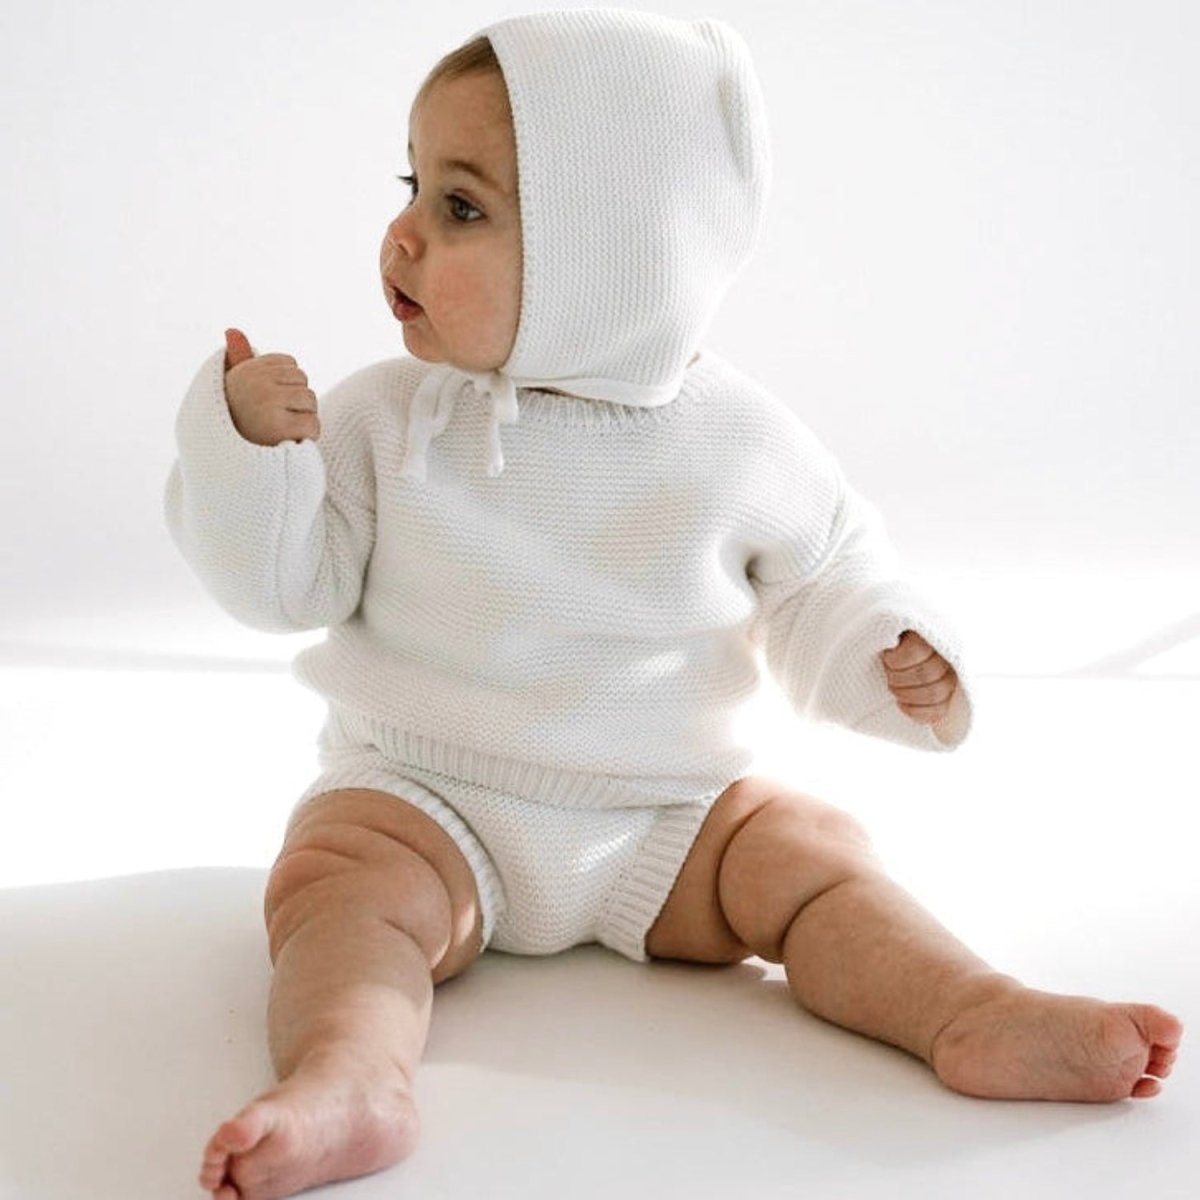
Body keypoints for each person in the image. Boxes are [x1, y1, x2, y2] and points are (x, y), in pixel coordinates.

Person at [166, 11, 1182, 1200]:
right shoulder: (391, 415)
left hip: (670, 812)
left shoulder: (735, 437)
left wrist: (884, 647)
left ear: (614, 254)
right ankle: (351, 1077)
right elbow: (285, 587)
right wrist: (252, 459)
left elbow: (828, 570)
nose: (400, 235)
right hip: (424, 799)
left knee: (810, 857)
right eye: (415, 185)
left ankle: (970, 1007)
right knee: (337, 890)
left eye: (462, 207)